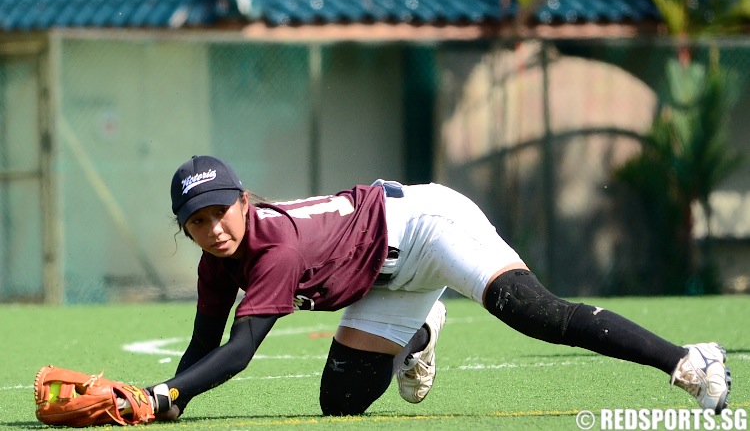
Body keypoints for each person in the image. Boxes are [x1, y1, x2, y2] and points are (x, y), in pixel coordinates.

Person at [138, 155, 731, 420]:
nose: (214, 228)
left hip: (426, 227)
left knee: (534, 313)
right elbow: (203, 343)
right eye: (197, 221)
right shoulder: (216, 262)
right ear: (184, 228)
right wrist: (169, 399)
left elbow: (239, 350)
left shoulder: (275, 246)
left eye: (222, 210)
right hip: (384, 276)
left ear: (244, 201)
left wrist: (159, 392)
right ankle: (421, 330)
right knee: (340, 404)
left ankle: (689, 361)